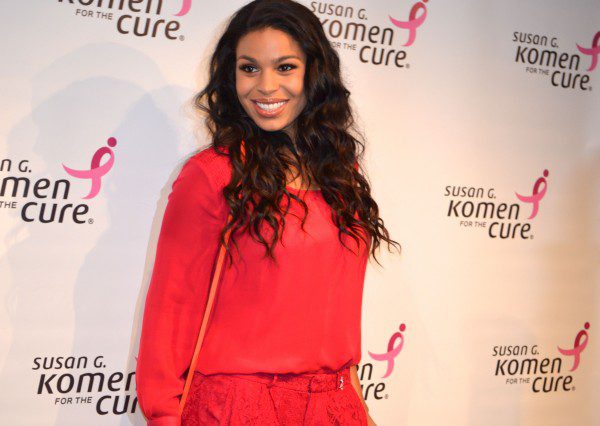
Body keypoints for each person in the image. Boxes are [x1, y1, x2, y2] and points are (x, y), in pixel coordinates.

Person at [135, 0, 401, 424]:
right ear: (231, 74)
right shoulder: (214, 174)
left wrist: (356, 405)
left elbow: (337, 308)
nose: (265, 86)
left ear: (314, 72)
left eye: (285, 67)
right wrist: (164, 415)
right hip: (238, 406)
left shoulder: (340, 174)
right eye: (249, 68)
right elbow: (172, 309)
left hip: (334, 403)